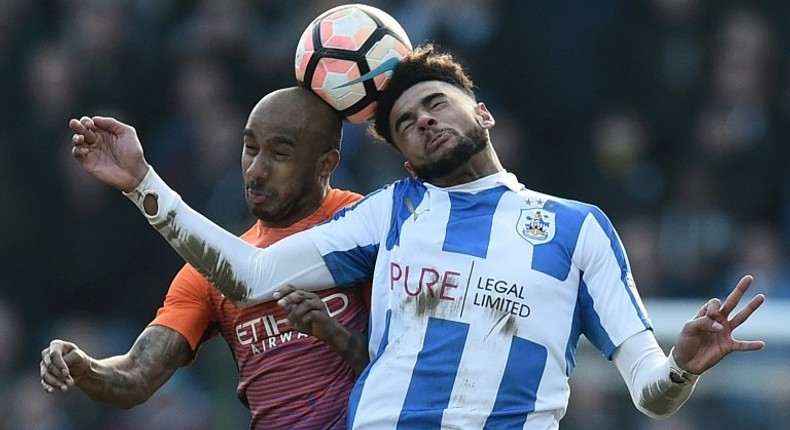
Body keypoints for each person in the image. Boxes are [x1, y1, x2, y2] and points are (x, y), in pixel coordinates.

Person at [64, 44, 765, 429]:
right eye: (407, 123)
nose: (425, 120)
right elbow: (248, 276)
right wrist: (142, 182)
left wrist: (680, 368)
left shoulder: (579, 227)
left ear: (481, 113)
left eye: (437, 104)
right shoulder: (390, 212)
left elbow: (650, 391)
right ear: (405, 156)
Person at [40, 87, 370, 430]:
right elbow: (136, 376)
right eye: (250, 148)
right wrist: (84, 367)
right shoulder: (211, 268)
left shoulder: (366, 225)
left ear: (326, 164)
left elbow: (404, 365)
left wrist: (334, 334)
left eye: (280, 154)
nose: (256, 170)